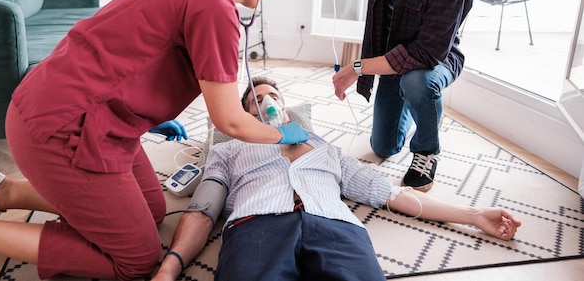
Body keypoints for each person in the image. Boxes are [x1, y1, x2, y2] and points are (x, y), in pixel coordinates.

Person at [0, 0, 309, 280]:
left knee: (151, 210)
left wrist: (148, 118)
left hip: (75, 110)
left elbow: (127, 55)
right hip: (61, 127)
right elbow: (230, 120)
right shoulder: (216, 8)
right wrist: (283, 135)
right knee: (136, 259)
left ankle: (2, 192)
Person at [151, 77, 521, 281]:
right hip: (256, 227)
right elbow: (202, 210)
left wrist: (473, 215)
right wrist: (169, 268)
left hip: (336, 228)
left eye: (272, 95)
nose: (267, 102)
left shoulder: (326, 149)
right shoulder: (230, 149)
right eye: (256, 100)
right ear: (246, 113)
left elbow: (391, 194)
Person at [322, 0, 475, 192]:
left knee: (417, 81)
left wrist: (359, 67)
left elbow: (424, 55)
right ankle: (419, 106)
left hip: (435, 59)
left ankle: (427, 149)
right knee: (383, 148)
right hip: (393, 58)